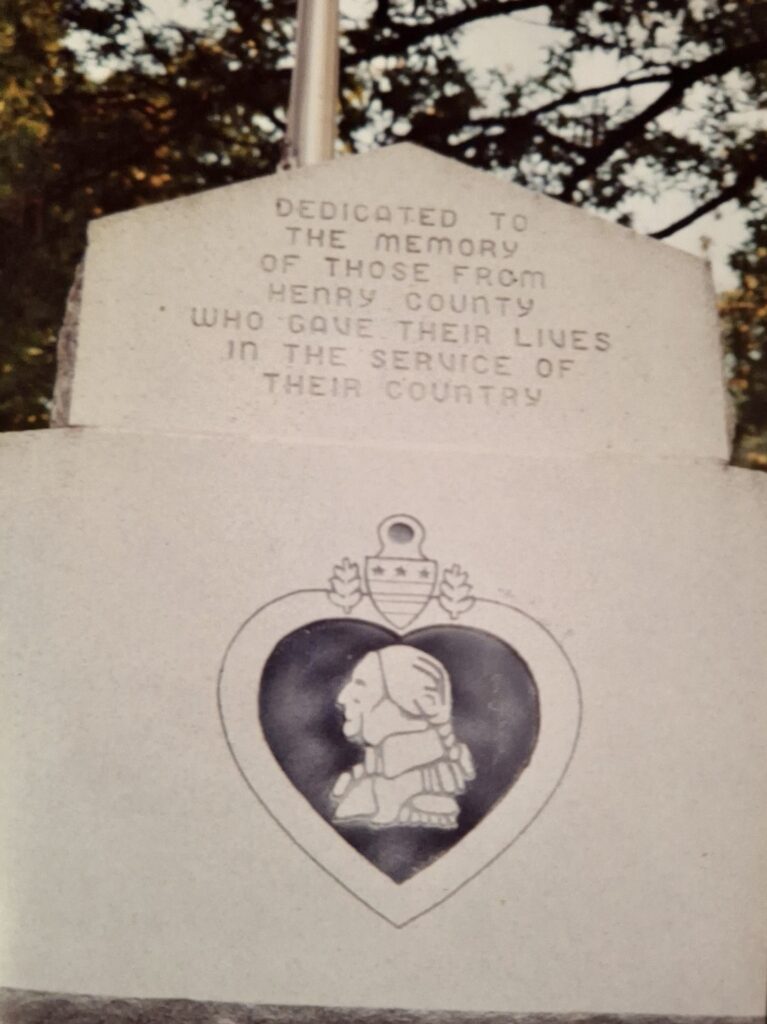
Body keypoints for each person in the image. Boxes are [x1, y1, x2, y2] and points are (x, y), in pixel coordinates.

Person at [332, 645, 475, 829]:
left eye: (361, 684)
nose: (342, 698)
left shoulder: (433, 805)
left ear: (424, 702)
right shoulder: (362, 784)